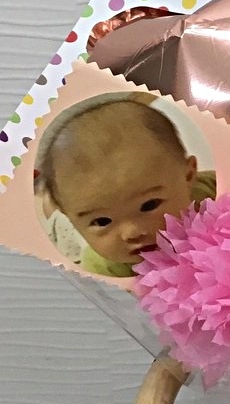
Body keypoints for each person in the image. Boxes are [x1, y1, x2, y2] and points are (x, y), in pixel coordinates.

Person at [37, 96, 216, 278]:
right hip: (70, 233)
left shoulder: (207, 191)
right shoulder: (104, 269)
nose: (132, 233)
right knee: (57, 224)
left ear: (189, 175)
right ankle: (52, 207)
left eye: (149, 205)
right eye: (102, 222)